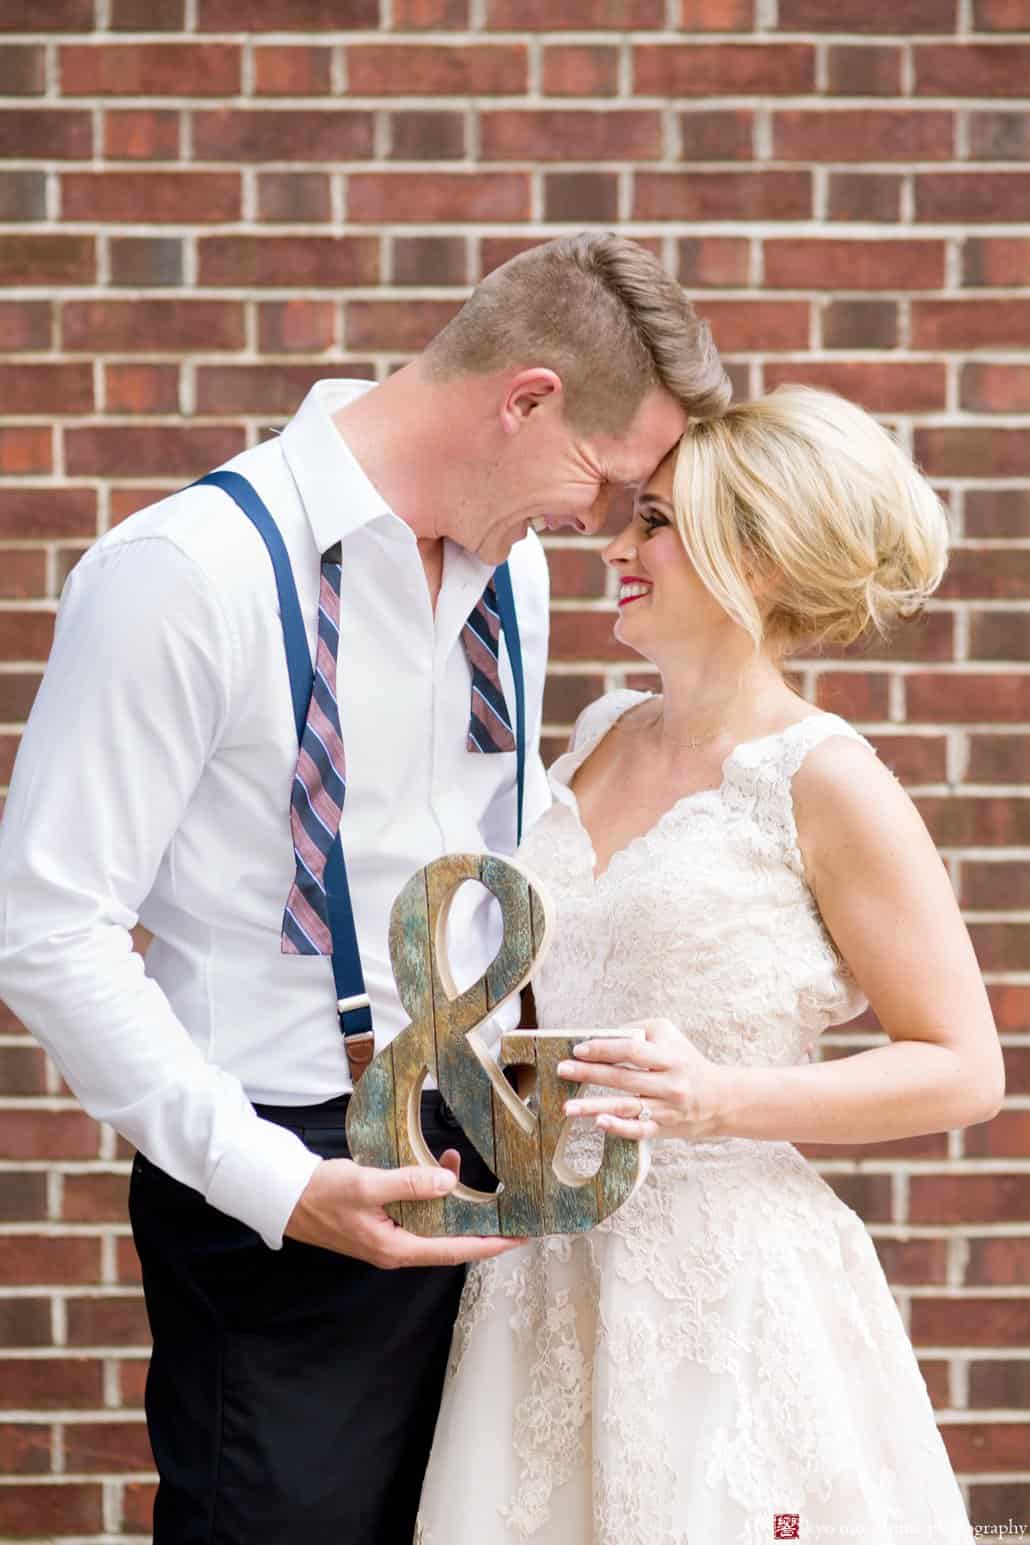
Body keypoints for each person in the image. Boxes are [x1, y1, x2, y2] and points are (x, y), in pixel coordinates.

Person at [0, 232, 731, 1545]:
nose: (600, 522)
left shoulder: (514, 568)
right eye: (603, 478)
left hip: (485, 1160)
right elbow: (48, 929)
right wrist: (272, 1183)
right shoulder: (183, 577)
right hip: (291, 1173)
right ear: (524, 400)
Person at [415, 385, 1005, 1545]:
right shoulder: (596, 737)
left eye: (657, 524)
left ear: (762, 561)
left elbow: (963, 1069)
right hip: (538, 1279)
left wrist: (720, 1099)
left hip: (720, 1293)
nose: (618, 546)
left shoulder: (826, 784)